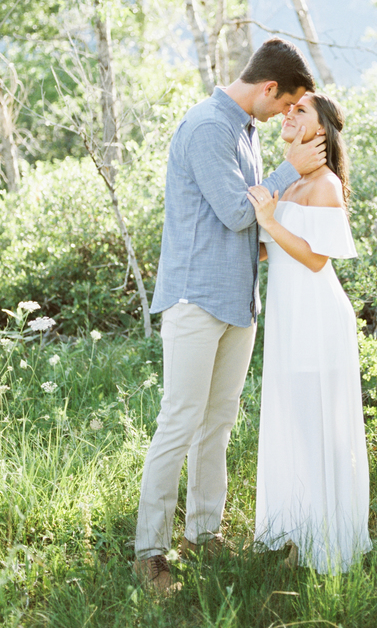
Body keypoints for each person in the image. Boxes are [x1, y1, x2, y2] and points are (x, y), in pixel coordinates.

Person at [134, 38, 326, 592]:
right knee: (180, 422)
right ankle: (150, 554)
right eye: (287, 104)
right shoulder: (207, 128)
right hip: (196, 298)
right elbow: (240, 212)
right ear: (269, 88)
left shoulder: (244, 131)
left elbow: (251, 227)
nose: (286, 115)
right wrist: (290, 170)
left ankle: (205, 535)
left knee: (217, 424)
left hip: (239, 302)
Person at [248, 92, 371, 575]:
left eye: (300, 111)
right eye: (287, 109)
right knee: (295, 426)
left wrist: (268, 220)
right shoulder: (291, 183)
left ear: (320, 131)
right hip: (287, 318)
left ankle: (327, 543)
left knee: (318, 427)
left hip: (318, 319)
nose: (288, 114)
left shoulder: (324, 185)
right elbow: (267, 251)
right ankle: (299, 534)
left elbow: (316, 257)